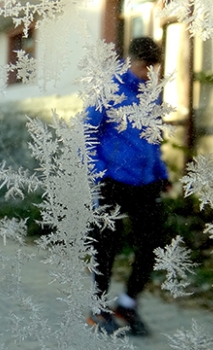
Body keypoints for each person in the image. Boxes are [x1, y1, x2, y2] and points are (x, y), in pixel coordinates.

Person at [85, 37, 170, 336]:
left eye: (154, 67)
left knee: (153, 246)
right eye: (145, 67)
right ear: (130, 60)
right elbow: (87, 135)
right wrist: (99, 174)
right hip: (113, 182)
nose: (149, 73)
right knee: (106, 248)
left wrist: (162, 172)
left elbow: (152, 138)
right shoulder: (107, 89)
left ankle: (127, 304)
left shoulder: (153, 93)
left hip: (146, 182)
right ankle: (98, 310)